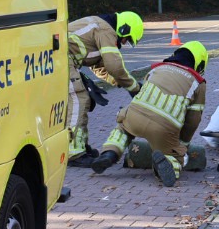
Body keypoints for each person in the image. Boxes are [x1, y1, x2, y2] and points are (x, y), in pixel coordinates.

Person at [91, 42, 207, 187]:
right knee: (176, 156)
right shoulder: (198, 83)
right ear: (199, 64)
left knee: (122, 130)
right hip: (164, 128)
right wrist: (182, 144)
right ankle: (167, 165)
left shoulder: (155, 69)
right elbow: (193, 120)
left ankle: (109, 153)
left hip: (134, 116)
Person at [66, 10, 143, 165]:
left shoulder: (101, 27)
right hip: (61, 58)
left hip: (64, 58)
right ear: (124, 29)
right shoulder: (106, 30)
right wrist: (134, 87)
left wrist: (119, 82)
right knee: (79, 98)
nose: (124, 43)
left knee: (84, 99)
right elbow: (114, 65)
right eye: (127, 39)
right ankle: (74, 153)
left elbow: (100, 67)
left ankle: (79, 144)